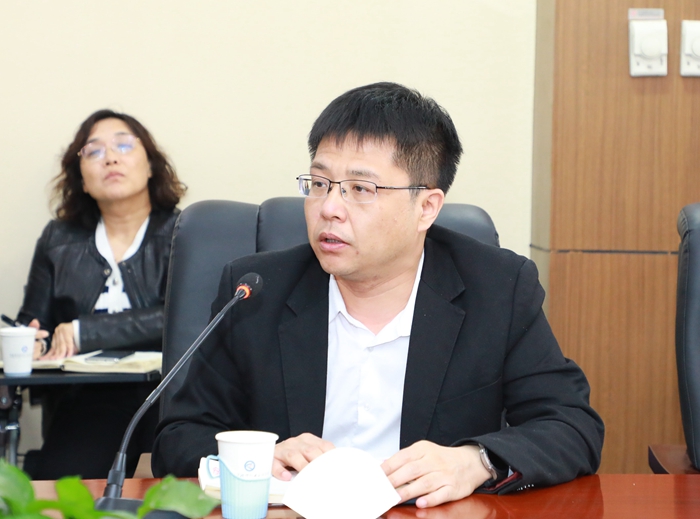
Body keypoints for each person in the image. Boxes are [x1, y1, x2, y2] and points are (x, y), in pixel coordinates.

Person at [153, 82, 604, 506]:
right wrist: (253, 459)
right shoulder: (255, 291)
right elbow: (178, 436)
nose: (329, 208)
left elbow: (572, 426)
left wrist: (476, 461)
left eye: (360, 189)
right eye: (320, 184)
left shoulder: (497, 288)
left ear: (426, 207)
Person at [17, 109, 186, 480]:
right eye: (93, 151)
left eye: (123, 146)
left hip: (167, 397)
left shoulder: (185, 231)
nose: (110, 158)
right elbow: (32, 322)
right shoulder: (58, 239)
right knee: (62, 494)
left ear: (150, 165)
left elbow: (183, 318)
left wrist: (83, 332)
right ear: (81, 178)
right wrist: (30, 342)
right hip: (85, 400)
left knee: (164, 488)